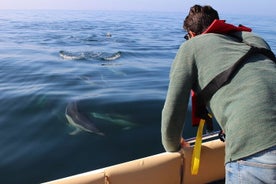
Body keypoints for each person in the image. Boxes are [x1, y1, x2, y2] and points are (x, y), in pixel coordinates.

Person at [161, 4, 276, 184]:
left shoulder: (191, 47)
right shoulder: (255, 39)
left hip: (255, 150)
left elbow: (174, 109)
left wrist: (173, 144)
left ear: (191, 35)